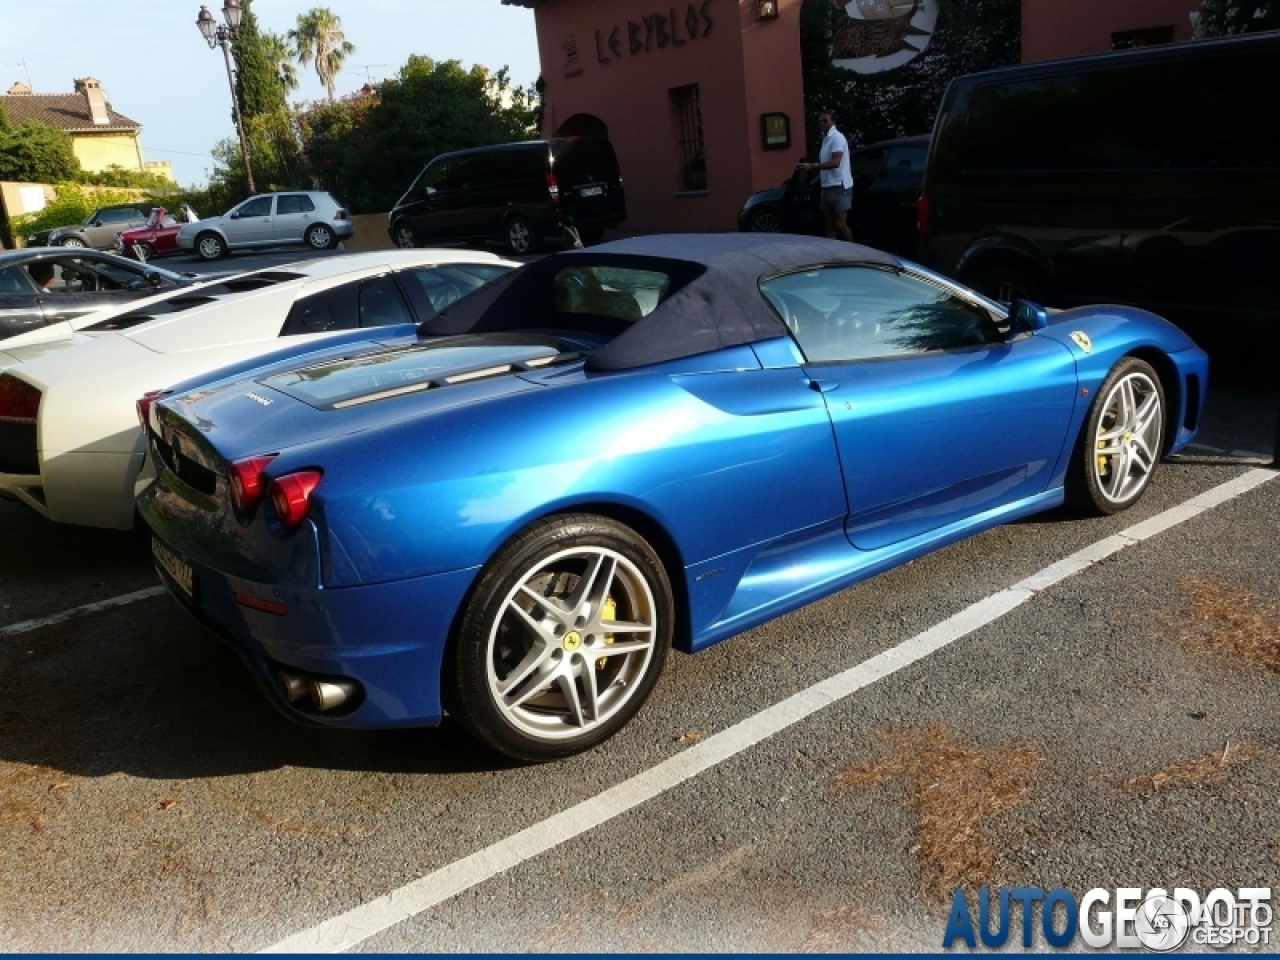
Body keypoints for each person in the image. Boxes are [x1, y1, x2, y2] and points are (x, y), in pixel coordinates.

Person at [797, 110, 854, 242]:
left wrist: (813, 166)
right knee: (829, 225)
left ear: (833, 122)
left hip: (840, 186)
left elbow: (836, 162)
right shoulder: (826, 139)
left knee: (840, 224)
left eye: (825, 120)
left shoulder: (837, 138)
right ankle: (833, 253)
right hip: (827, 186)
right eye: (820, 121)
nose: (822, 123)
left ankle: (853, 249)